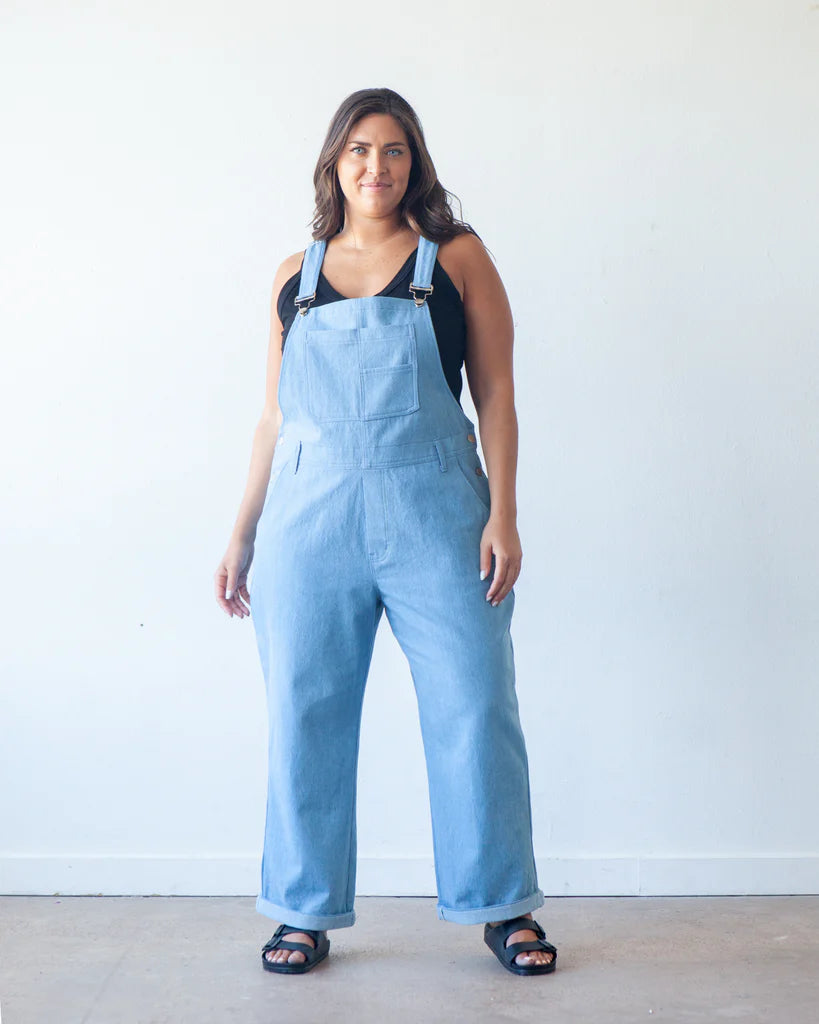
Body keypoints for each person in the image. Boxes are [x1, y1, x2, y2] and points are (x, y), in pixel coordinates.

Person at [214, 87, 558, 977]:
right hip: (307, 517)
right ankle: (301, 911)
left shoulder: (457, 258)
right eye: (360, 150)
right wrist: (242, 534)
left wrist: (504, 512)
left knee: (474, 703)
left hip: (436, 513)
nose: (377, 166)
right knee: (305, 712)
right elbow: (271, 418)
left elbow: (496, 396)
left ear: (416, 162)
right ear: (335, 162)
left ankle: (503, 906)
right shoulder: (293, 274)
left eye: (395, 149)